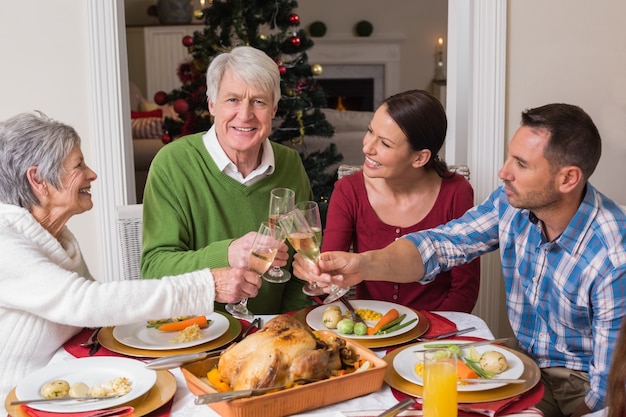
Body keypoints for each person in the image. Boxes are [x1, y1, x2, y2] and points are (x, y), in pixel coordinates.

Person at [294, 103, 626, 417]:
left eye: (522, 164)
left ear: (567, 179)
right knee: (415, 384)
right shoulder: (511, 205)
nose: (503, 172)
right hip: (525, 362)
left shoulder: (613, 256)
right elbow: (439, 245)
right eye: (510, 157)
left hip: (580, 389)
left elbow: (609, 389)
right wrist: (363, 264)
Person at [0, 111, 263, 406]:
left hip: (67, 386)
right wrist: (207, 286)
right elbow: (85, 302)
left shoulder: (56, 236)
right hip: (21, 401)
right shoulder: (5, 242)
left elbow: (93, 319)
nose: (92, 174)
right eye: (78, 165)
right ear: (38, 180)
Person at [140, 45, 314, 314]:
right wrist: (227, 254)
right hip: (196, 332)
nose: (244, 115)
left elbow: (301, 266)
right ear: (212, 105)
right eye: (232, 100)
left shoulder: (290, 164)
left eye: (258, 101)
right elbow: (154, 269)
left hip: (272, 335)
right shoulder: (173, 163)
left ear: (274, 110)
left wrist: (291, 323)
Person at [321, 89, 479, 311]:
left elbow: (464, 288)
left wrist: (435, 336)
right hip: (367, 330)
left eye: (385, 143)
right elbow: (329, 278)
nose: (367, 147)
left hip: (435, 334)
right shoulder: (349, 190)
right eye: (370, 131)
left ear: (419, 157)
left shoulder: (456, 193)